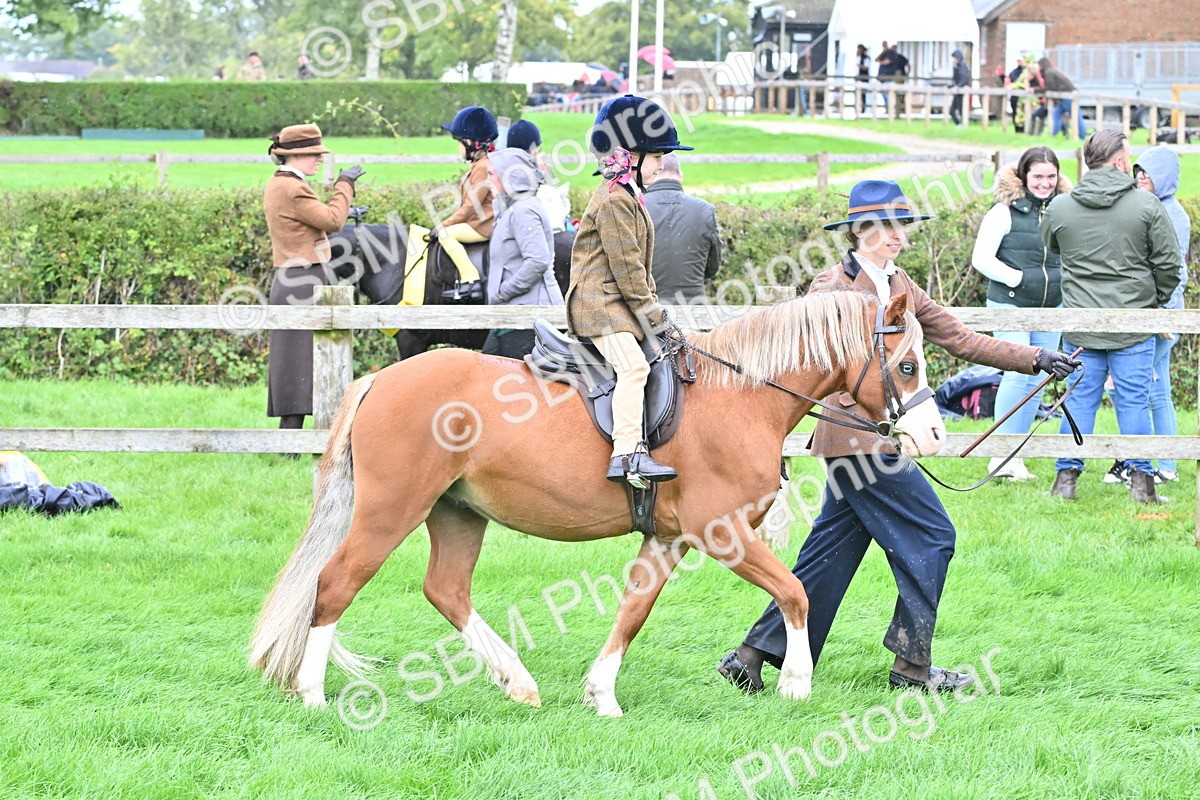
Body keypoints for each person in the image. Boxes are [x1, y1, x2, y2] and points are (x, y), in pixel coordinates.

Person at [716, 179, 1079, 694]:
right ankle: (912, 668)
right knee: (934, 535)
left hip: (881, 438)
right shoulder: (830, 289)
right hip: (857, 442)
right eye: (886, 226)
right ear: (859, 231)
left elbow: (958, 337)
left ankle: (752, 656)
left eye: (900, 226)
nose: (896, 236)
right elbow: (809, 366)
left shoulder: (901, 284)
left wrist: (1035, 358)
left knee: (830, 553)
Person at [1042, 131, 1182, 504]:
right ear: (1120, 161)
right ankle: (1142, 483)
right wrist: (1155, 302)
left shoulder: (1060, 207)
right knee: (1134, 401)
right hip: (1131, 324)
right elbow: (1169, 264)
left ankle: (1065, 478)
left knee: (1078, 400)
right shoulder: (1147, 206)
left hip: (1081, 325)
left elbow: (1052, 246)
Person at [566, 95, 693, 488]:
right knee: (634, 367)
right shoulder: (613, 201)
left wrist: (655, 314)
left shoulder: (628, 196)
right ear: (629, 155)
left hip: (615, 303)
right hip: (599, 306)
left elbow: (640, 271)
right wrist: (657, 317)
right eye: (656, 156)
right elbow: (628, 273)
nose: (662, 163)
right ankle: (627, 455)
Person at [971, 146, 1072, 480]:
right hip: (1010, 303)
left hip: (1051, 306)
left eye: (1051, 176)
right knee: (1017, 374)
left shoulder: (1064, 209)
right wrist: (1021, 279)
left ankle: (1015, 456)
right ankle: (999, 456)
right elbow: (982, 259)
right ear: (1024, 175)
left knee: (1040, 379)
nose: (1045, 183)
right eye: (1038, 176)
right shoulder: (1004, 211)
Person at [263, 124, 365, 434]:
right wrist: (344, 184)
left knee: (297, 365)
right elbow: (332, 220)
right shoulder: (293, 187)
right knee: (307, 365)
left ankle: (292, 438)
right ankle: (301, 439)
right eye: (314, 154)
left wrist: (349, 209)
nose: (319, 160)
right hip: (304, 281)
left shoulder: (280, 183)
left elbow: (311, 221)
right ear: (295, 155)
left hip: (296, 279)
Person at [1104, 147, 1191, 485]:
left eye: (1149, 173)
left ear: (1165, 177)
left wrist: (1160, 316)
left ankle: (1141, 461)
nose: (1141, 177)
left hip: (1160, 316)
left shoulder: (1172, 215)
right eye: (1138, 171)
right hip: (1148, 313)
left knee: (1136, 387)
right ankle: (1155, 462)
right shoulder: (1149, 206)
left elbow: (1173, 271)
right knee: (1153, 389)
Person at [482, 146, 562, 359]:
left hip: (531, 317)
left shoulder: (523, 210)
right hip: (512, 315)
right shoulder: (513, 207)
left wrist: (502, 292)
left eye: (491, 174)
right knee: (486, 368)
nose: (487, 180)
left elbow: (538, 261)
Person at [642, 154, 721, 304]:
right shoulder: (704, 210)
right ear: (680, 176)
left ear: (654, 173)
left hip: (647, 308)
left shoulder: (636, 207)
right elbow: (712, 267)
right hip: (693, 309)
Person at [438, 106, 499, 279]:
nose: (458, 147)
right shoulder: (481, 164)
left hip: (483, 225)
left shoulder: (483, 167)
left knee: (445, 235)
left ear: (472, 143)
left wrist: (443, 225)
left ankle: (469, 276)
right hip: (479, 221)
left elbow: (470, 206)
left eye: (460, 142)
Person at [1036, 57, 1085, 139]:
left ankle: (1081, 137)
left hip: (1068, 96)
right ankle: (1055, 136)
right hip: (1064, 97)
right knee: (1056, 114)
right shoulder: (1051, 71)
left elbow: (1050, 87)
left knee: (1076, 117)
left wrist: (1036, 90)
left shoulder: (1049, 73)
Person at [948, 49, 970, 127]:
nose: (952, 59)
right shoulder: (956, 66)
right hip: (958, 91)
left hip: (962, 91)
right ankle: (959, 125)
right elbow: (956, 80)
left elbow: (964, 78)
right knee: (952, 110)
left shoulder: (962, 65)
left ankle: (963, 126)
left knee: (961, 110)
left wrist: (958, 85)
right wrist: (950, 86)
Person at [855, 44, 871, 114]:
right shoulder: (857, 56)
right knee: (857, 93)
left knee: (863, 94)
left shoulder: (866, 57)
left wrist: (859, 66)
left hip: (863, 78)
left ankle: (863, 109)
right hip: (858, 77)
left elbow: (866, 67)